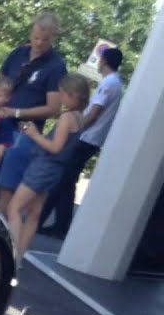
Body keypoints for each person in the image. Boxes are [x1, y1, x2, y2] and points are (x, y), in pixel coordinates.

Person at [0, 12, 68, 214]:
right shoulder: (18, 53)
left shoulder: (56, 66)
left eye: (44, 39)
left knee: (6, 187)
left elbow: (53, 109)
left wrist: (17, 112)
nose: (38, 43)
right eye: (35, 37)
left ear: (53, 37)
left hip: (23, 131)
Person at [38, 47, 125, 237]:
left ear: (104, 61)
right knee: (67, 181)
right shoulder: (117, 83)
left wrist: (76, 129)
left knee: (63, 179)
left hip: (87, 137)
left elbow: (94, 112)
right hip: (94, 138)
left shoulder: (109, 84)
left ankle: (49, 221)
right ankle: (57, 223)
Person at [5, 74, 91, 260]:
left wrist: (34, 134)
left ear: (69, 94)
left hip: (43, 167)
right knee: (34, 213)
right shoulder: (79, 117)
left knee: (15, 207)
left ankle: (10, 252)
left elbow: (55, 147)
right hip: (55, 171)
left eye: (61, 93)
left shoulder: (67, 117)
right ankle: (19, 256)